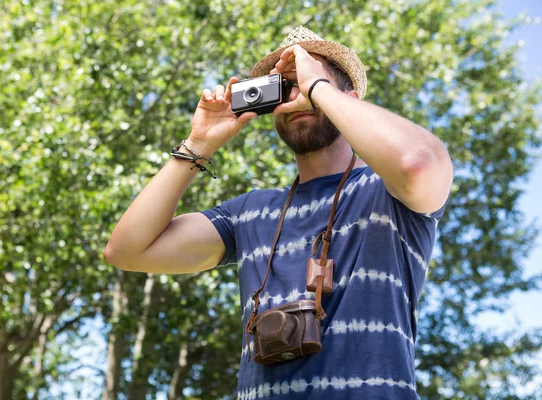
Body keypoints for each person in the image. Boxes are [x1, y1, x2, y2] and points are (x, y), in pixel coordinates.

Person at [104, 26, 453, 399]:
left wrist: (318, 87)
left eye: (306, 80)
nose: (297, 95)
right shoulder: (250, 212)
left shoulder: (389, 193)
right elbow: (126, 251)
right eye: (284, 87)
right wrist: (198, 145)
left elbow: (416, 163)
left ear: (348, 99)